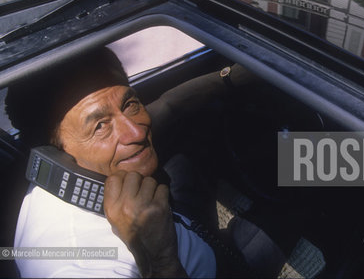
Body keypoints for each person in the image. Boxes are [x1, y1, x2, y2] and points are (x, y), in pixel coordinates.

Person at [6, 47, 217, 278]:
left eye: (130, 105)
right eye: (100, 126)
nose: (136, 131)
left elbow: (169, 106)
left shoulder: (64, 174)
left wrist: (229, 76)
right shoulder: (79, 266)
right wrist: (161, 261)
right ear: (56, 154)